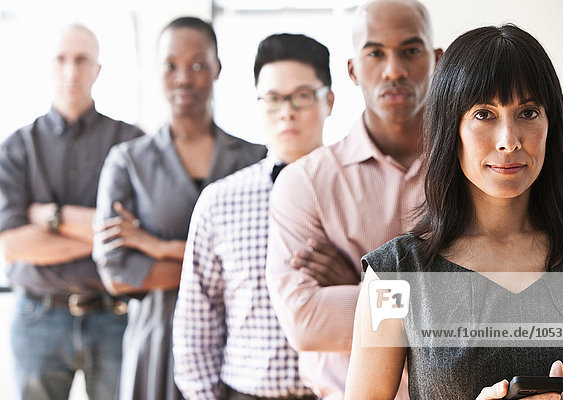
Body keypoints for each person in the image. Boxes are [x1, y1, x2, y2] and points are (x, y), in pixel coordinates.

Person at [346, 24, 563, 400]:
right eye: (484, 114)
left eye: (528, 112)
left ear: (552, 124)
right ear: (451, 127)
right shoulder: (395, 275)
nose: (508, 141)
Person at [265, 0, 442, 398]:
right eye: (375, 53)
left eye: (410, 51)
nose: (393, 69)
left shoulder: (473, 174)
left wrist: (364, 282)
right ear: (352, 69)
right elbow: (305, 321)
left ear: (436, 60)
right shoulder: (304, 183)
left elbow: (493, 304)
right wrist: (427, 300)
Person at [92, 17, 266, 400]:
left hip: (241, 349)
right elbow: (118, 275)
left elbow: (269, 264)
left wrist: (156, 246)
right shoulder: (127, 162)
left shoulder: (255, 160)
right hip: (157, 347)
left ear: (218, 68)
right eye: (171, 65)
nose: (184, 78)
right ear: (156, 71)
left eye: (198, 65)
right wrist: (224, 270)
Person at [172, 32, 334, 400]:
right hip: (246, 391)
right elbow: (196, 322)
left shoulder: (362, 192)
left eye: (302, 96)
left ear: (330, 101)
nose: (287, 111)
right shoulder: (219, 201)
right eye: (273, 98)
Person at [0, 24, 144, 400]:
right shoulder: (16, 148)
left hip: (114, 317)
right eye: (61, 59)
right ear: (49, 66)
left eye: (82, 60)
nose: (71, 71)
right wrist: (108, 236)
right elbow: (12, 246)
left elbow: (141, 236)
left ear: (98, 69)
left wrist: (52, 218)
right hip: (37, 318)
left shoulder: (132, 144)